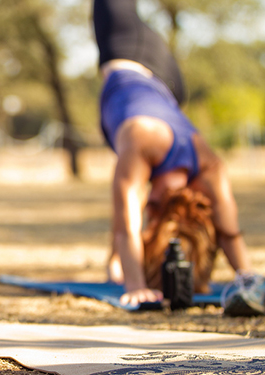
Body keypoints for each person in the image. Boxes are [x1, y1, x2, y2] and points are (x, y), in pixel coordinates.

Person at [93, 0, 252, 307]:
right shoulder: (145, 142)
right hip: (126, 52)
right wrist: (136, 284)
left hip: (170, 84)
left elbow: (230, 233)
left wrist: (247, 276)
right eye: (155, 208)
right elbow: (127, 226)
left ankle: (114, 264)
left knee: (127, 196)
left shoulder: (206, 166)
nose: (148, 203)